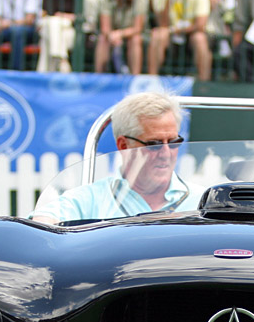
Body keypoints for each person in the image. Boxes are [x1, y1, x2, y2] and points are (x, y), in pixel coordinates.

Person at [30, 91, 187, 224]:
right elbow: (41, 225)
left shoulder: (204, 201)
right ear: (124, 146)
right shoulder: (90, 200)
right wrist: (44, 224)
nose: (166, 153)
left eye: (174, 142)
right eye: (154, 144)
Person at [149, 0, 212, 80]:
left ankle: (203, 83)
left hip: (191, 33)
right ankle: (151, 79)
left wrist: (177, 30)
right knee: (157, 35)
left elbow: (200, 25)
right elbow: (162, 24)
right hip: (171, 34)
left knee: (200, 39)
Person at [94, 0, 148, 74]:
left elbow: (137, 28)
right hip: (113, 35)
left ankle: (135, 78)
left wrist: (120, 34)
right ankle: (99, 77)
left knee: (135, 39)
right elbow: (105, 28)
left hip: (133, 34)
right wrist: (112, 36)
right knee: (103, 39)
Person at [37, 0, 76, 72]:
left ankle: (43, 74)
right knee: (51, 25)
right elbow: (44, 13)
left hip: (70, 29)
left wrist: (63, 16)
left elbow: (80, 16)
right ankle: (62, 61)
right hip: (53, 28)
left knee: (48, 36)